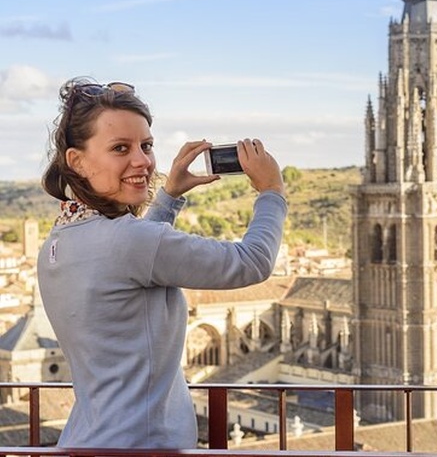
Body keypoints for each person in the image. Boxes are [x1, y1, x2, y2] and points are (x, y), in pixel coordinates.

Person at [37, 77, 287, 449]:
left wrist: (169, 196)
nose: (143, 161)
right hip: (141, 447)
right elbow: (252, 262)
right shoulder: (129, 242)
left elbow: (131, 260)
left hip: (86, 442)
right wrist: (272, 192)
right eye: (121, 148)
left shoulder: (59, 240)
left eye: (147, 145)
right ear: (77, 161)